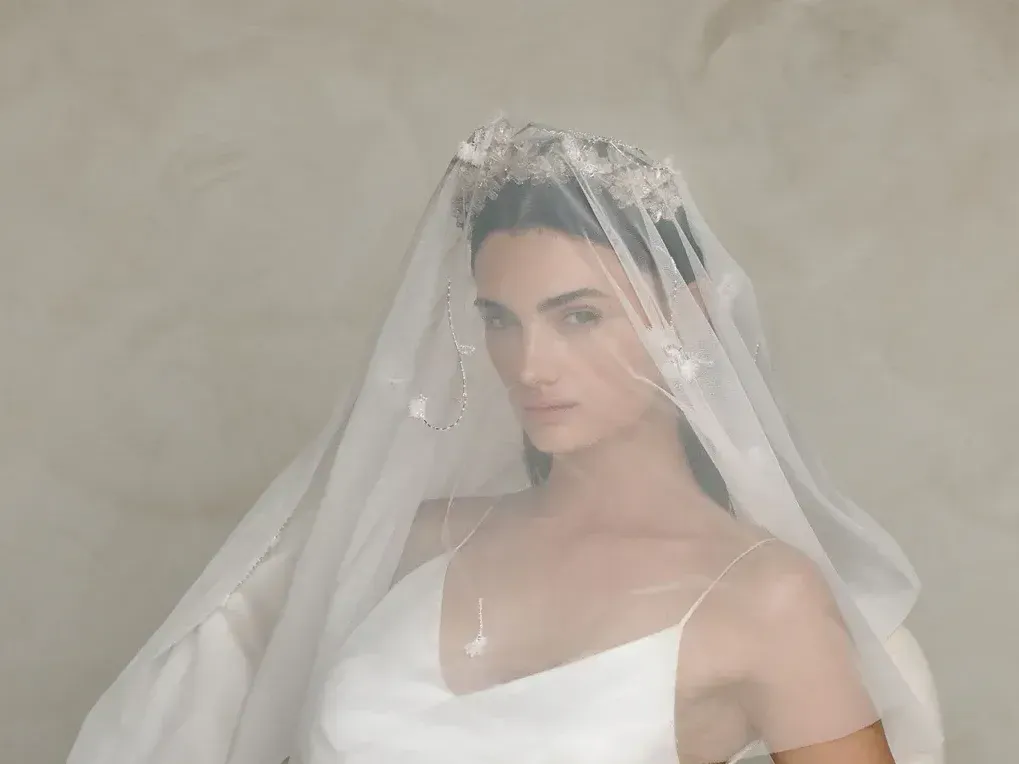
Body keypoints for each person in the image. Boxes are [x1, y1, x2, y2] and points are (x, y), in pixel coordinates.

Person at [67, 118, 943, 764]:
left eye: (579, 317)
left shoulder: (769, 602)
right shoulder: (413, 542)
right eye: (500, 319)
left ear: (691, 316)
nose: (529, 364)